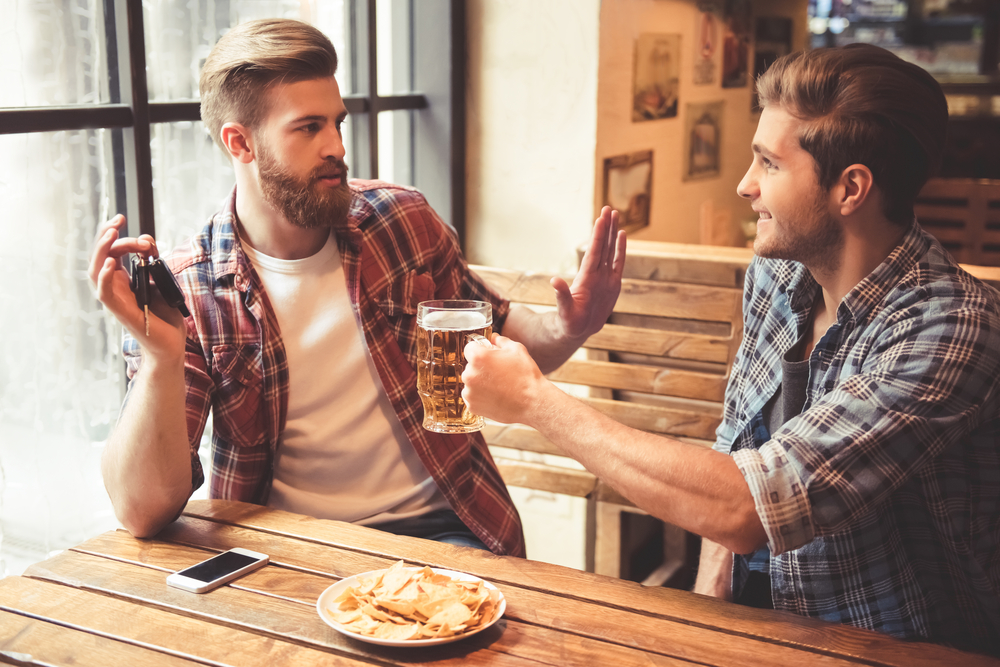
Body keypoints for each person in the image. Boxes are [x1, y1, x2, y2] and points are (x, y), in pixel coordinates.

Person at [461, 43, 1000, 653]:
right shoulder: (780, 273)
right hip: (762, 623)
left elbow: (751, 504)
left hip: (890, 644)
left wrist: (535, 401)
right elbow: (739, 439)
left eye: (769, 164)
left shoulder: (950, 328)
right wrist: (707, 603)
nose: (745, 186)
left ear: (851, 189)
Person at [87, 18, 626, 558]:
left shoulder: (401, 220)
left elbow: (506, 340)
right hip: (289, 550)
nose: (336, 147)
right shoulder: (192, 290)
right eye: (308, 127)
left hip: (445, 527)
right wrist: (161, 357)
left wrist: (570, 325)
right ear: (240, 143)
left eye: (337, 124)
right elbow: (141, 509)